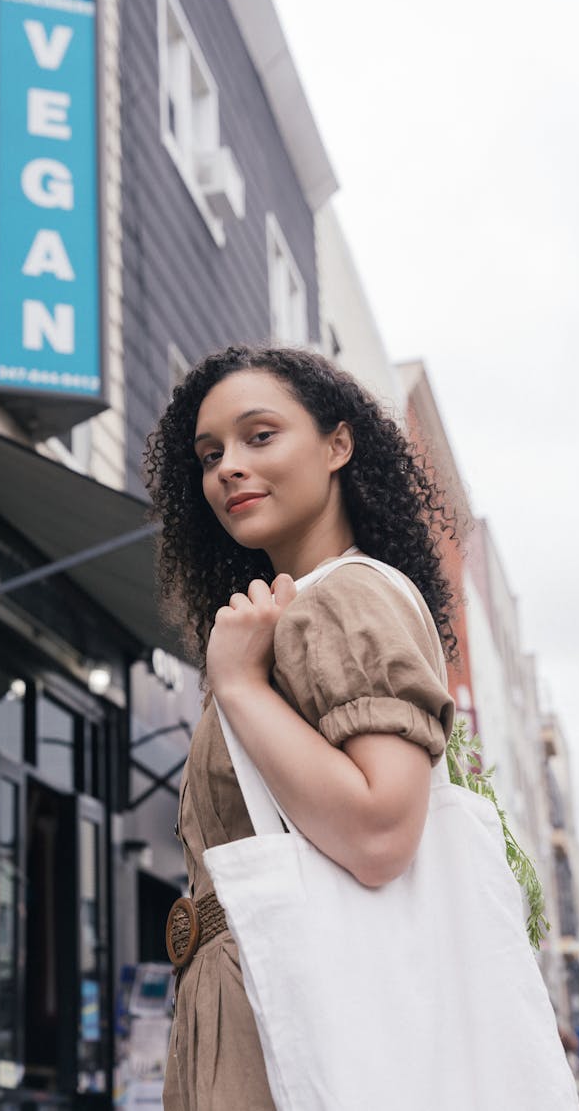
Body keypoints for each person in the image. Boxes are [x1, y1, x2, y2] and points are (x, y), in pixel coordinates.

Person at [144, 345, 456, 1110]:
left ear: (338, 445)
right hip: (262, 1001)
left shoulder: (342, 600)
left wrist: (242, 684)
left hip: (290, 1011)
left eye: (260, 436)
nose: (227, 468)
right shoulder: (293, 611)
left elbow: (381, 831)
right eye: (210, 453)